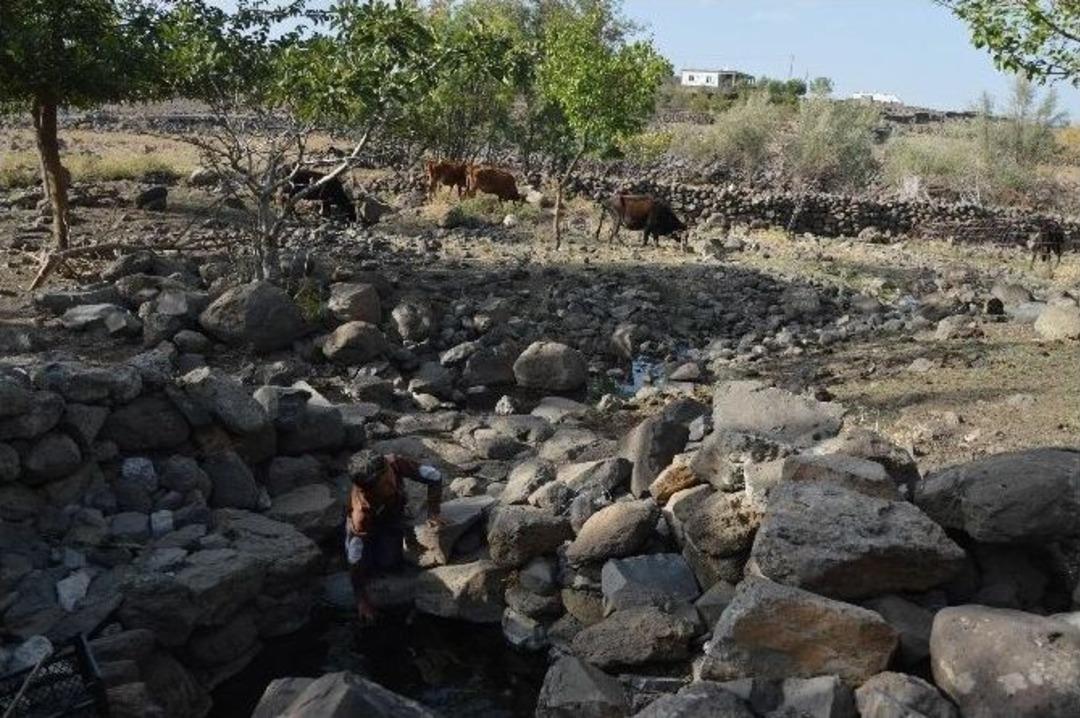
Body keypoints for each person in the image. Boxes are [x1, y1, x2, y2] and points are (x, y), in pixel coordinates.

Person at [345, 450, 444, 622]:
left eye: (389, 478)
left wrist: (433, 512)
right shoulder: (361, 513)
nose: (390, 485)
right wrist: (361, 600)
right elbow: (355, 558)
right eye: (382, 487)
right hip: (369, 524)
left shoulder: (394, 463)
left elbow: (435, 476)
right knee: (365, 566)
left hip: (392, 514)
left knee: (389, 564)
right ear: (367, 490)